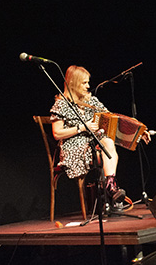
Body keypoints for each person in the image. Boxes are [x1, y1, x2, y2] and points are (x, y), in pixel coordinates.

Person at [50, 65, 150, 210]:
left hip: (94, 143)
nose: (88, 86)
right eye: (84, 83)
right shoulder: (61, 104)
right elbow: (57, 133)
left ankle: (110, 186)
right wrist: (83, 127)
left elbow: (113, 119)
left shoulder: (92, 101)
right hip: (74, 147)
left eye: (87, 82)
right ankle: (110, 193)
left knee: (107, 143)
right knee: (105, 153)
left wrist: (138, 130)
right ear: (73, 83)